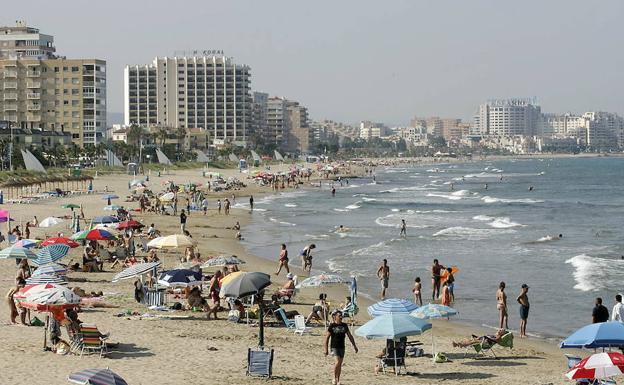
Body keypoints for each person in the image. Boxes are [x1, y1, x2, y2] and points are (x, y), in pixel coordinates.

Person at [324, 310, 358, 385]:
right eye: (339, 316)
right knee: (337, 362)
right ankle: (334, 378)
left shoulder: (344, 325)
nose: (341, 317)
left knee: (340, 364)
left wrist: (354, 346)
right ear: (335, 317)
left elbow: (350, 336)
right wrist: (326, 349)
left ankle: (338, 379)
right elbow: (327, 338)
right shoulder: (332, 326)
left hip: (342, 347)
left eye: (341, 315)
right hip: (334, 347)